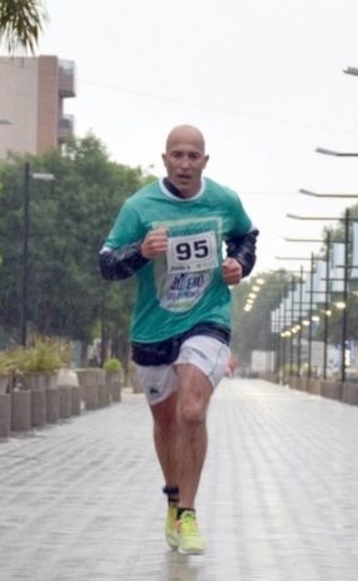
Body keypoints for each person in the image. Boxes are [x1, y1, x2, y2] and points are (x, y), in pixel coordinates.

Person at [99, 124, 258, 556]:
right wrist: (141, 253)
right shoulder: (140, 206)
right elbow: (107, 263)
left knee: (191, 409)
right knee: (166, 421)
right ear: (165, 159)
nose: (185, 163)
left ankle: (188, 512)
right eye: (177, 155)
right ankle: (173, 500)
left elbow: (246, 236)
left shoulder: (224, 200)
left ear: (205, 161)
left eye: (193, 156)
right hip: (153, 329)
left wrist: (239, 264)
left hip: (207, 317)